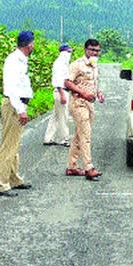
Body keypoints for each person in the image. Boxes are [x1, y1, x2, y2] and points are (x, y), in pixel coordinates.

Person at [0, 31, 34, 197]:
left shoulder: (22, 60)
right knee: (9, 145)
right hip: (14, 105)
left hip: (17, 104)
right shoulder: (14, 61)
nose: (33, 46)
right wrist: (20, 109)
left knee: (14, 145)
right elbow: (11, 88)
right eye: (32, 43)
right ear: (28, 44)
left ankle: (13, 178)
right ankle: (1, 184)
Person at [64, 39, 104, 182]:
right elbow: (67, 82)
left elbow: (94, 82)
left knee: (79, 135)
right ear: (85, 49)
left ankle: (72, 166)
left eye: (97, 50)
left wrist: (98, 93)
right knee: (86, 135)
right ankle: (89, 167)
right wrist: (82, 93)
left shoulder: (94, 66)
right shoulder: (77, 65)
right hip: (78, 103)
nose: (95, 53)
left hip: (90, 104)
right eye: (92, 50)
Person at [43, 44, 73, 147]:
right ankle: (63, 139)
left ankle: (48, 138)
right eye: (68, 52)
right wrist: (62, 94)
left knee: (56, 116)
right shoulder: (60, 63)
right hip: (61, 92)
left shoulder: (61, 63)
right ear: (64, 52)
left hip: (61, 91)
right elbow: (58, 80)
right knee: (63, 116)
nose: (70, 54)